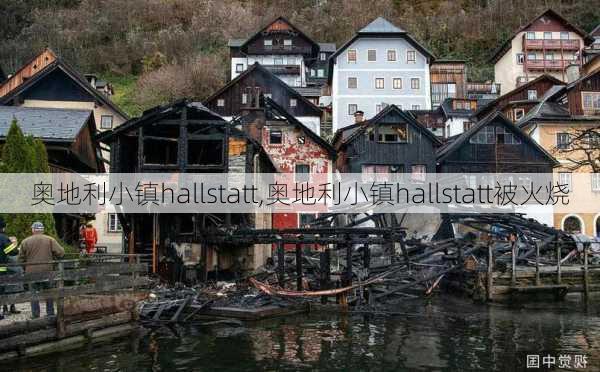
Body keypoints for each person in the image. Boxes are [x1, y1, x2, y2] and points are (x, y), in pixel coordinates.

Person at [19, 221, 64, 319]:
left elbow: (20, 259)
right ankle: (50, 313)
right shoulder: (50, 240)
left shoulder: (25, 241)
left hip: (31, 272)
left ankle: (35, 315)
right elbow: (61, 252)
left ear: (33, 230)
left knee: (34, 294)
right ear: (42, 230)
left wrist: (25, 267)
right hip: (47, 270)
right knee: (48, 293)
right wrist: (54, 260)